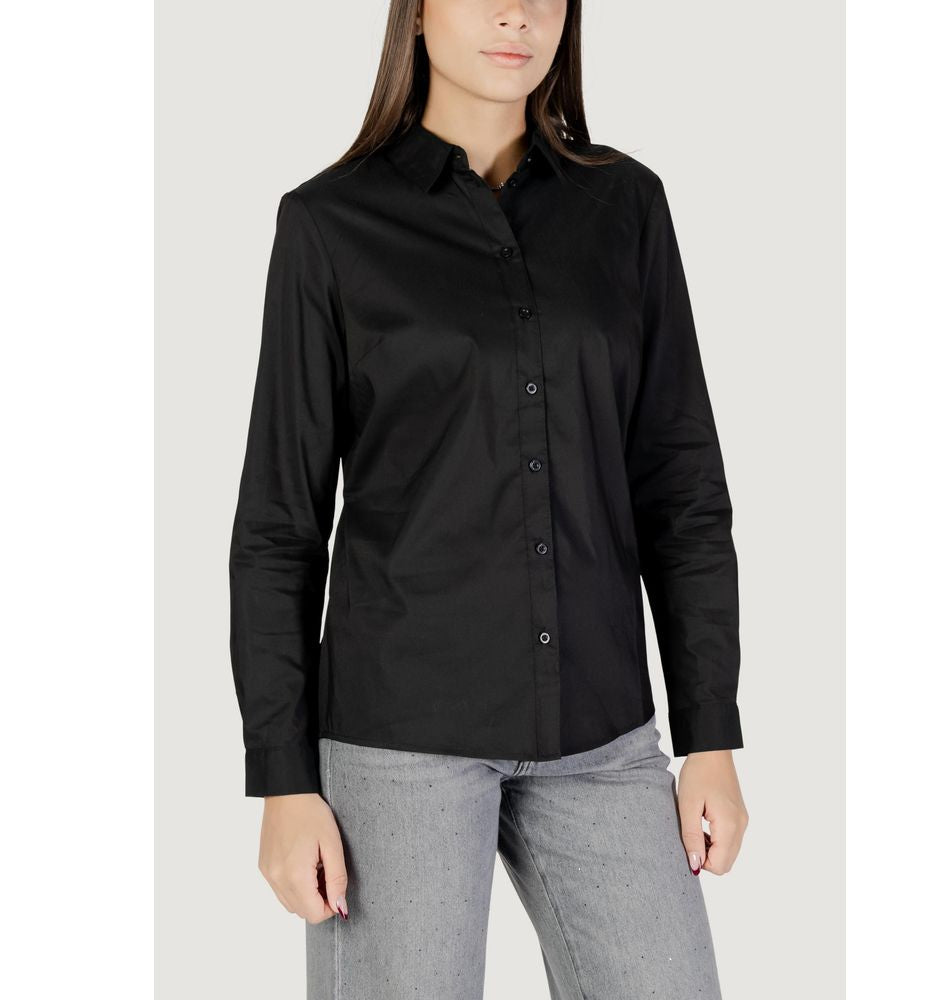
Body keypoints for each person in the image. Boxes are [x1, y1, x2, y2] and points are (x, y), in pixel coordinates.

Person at [228, 1, 750, 997]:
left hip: (601, 730)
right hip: (400, 737)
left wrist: (710, 735)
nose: (517, 14)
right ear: (418, 14)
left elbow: (682, 485)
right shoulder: (329, 224)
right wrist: (283, 781)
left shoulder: (625, 206)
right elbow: (278, 528)